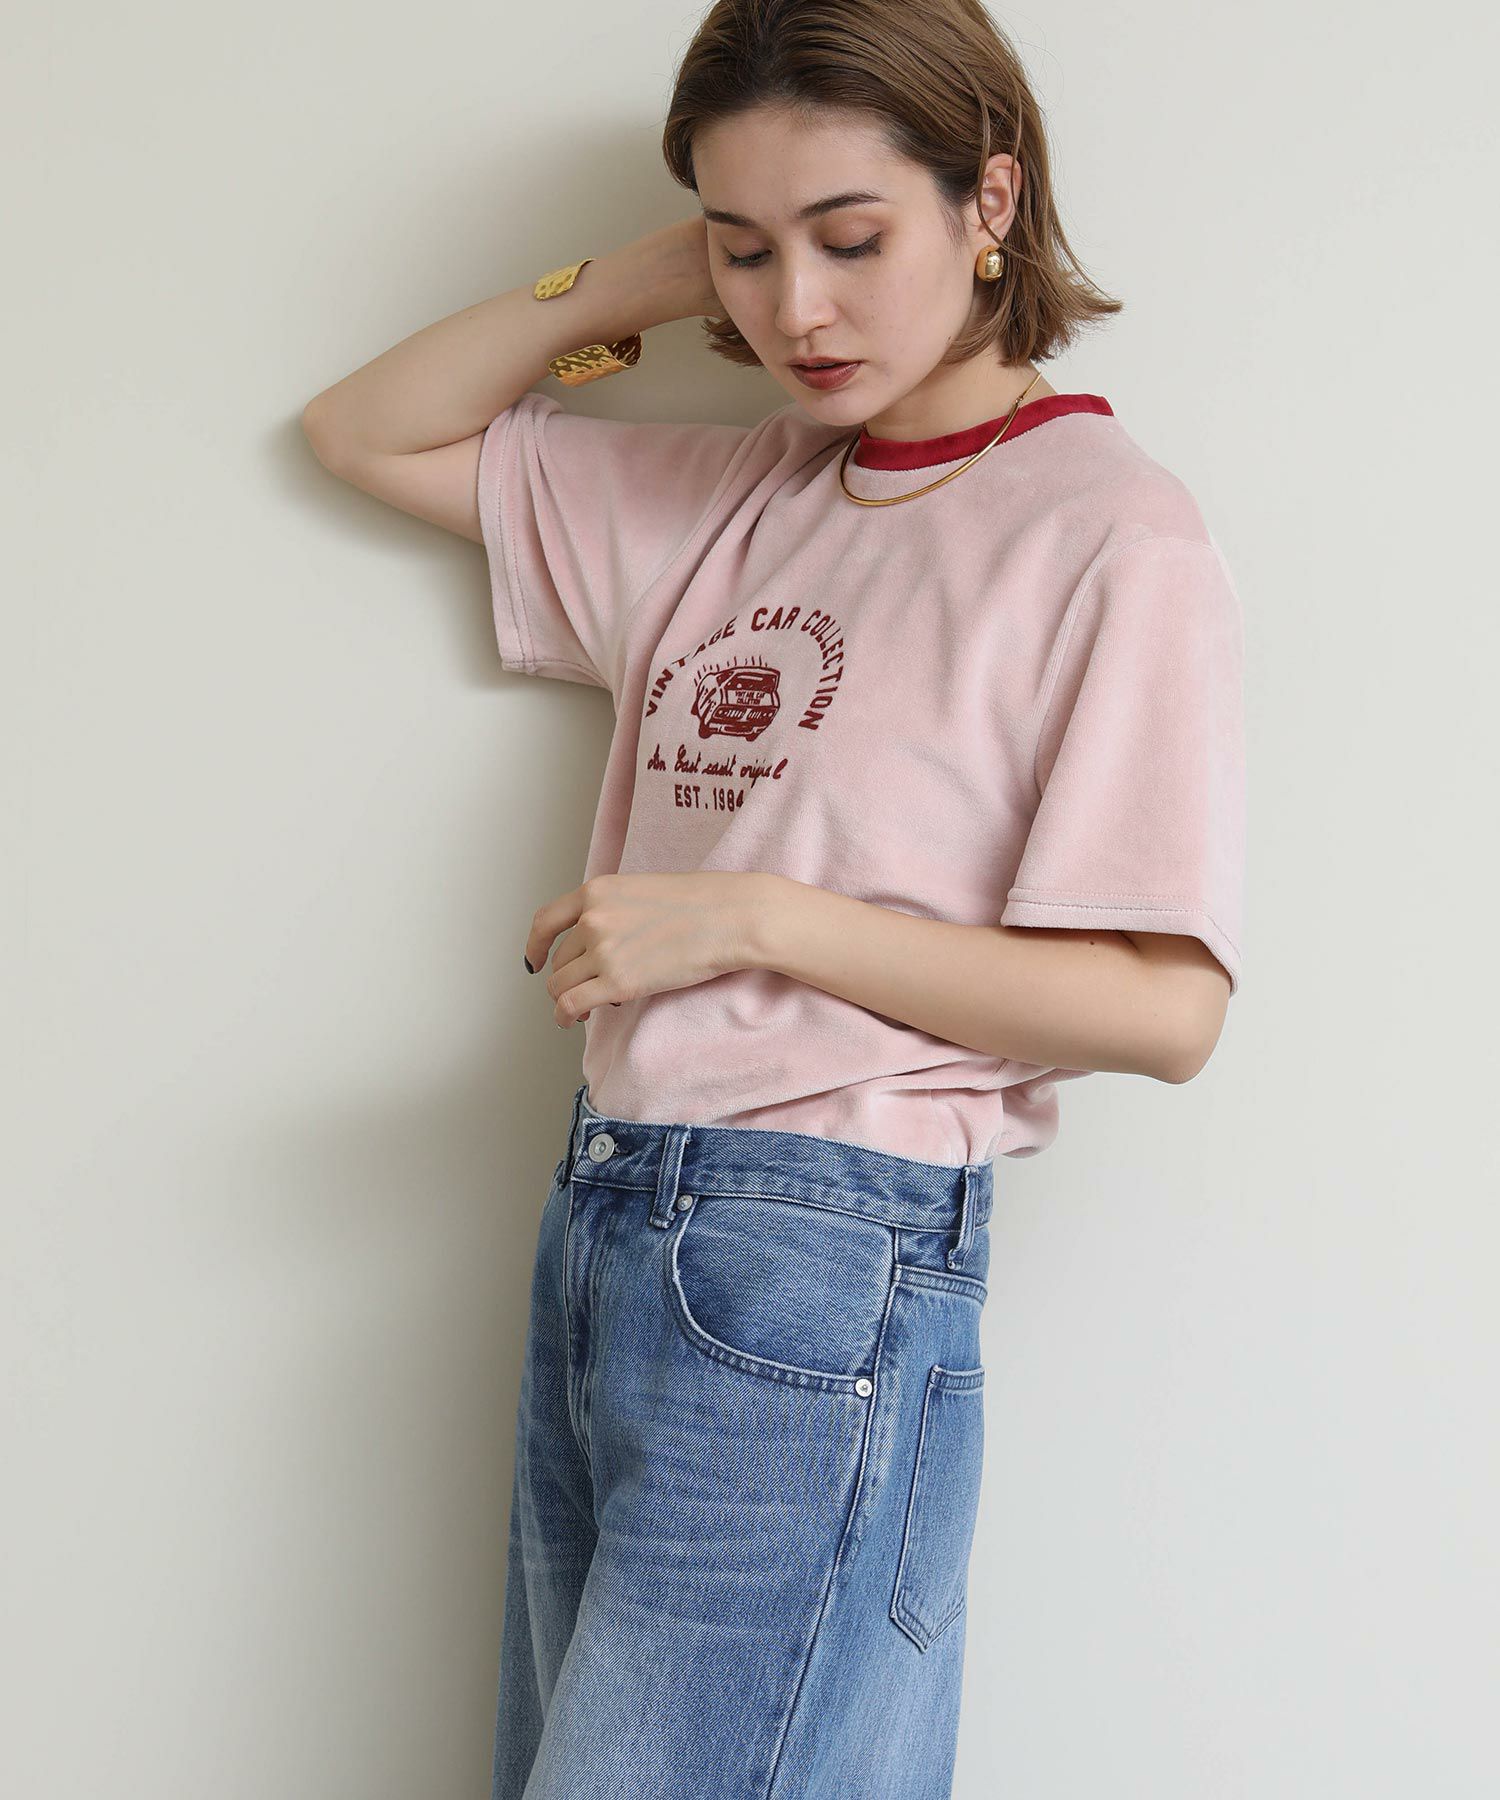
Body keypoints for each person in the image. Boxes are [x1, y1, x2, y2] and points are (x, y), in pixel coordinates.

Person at [301, 2, 1247, 1792]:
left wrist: (749, 915)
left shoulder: (1109, 532)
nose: (795, 310)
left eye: (850, 238)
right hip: (612, 1216)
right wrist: (635, 281)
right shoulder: (740, 493)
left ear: (991, 202)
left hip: (827, 1249)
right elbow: (365, 430)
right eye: (746, 249)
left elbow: (1167, 1007)